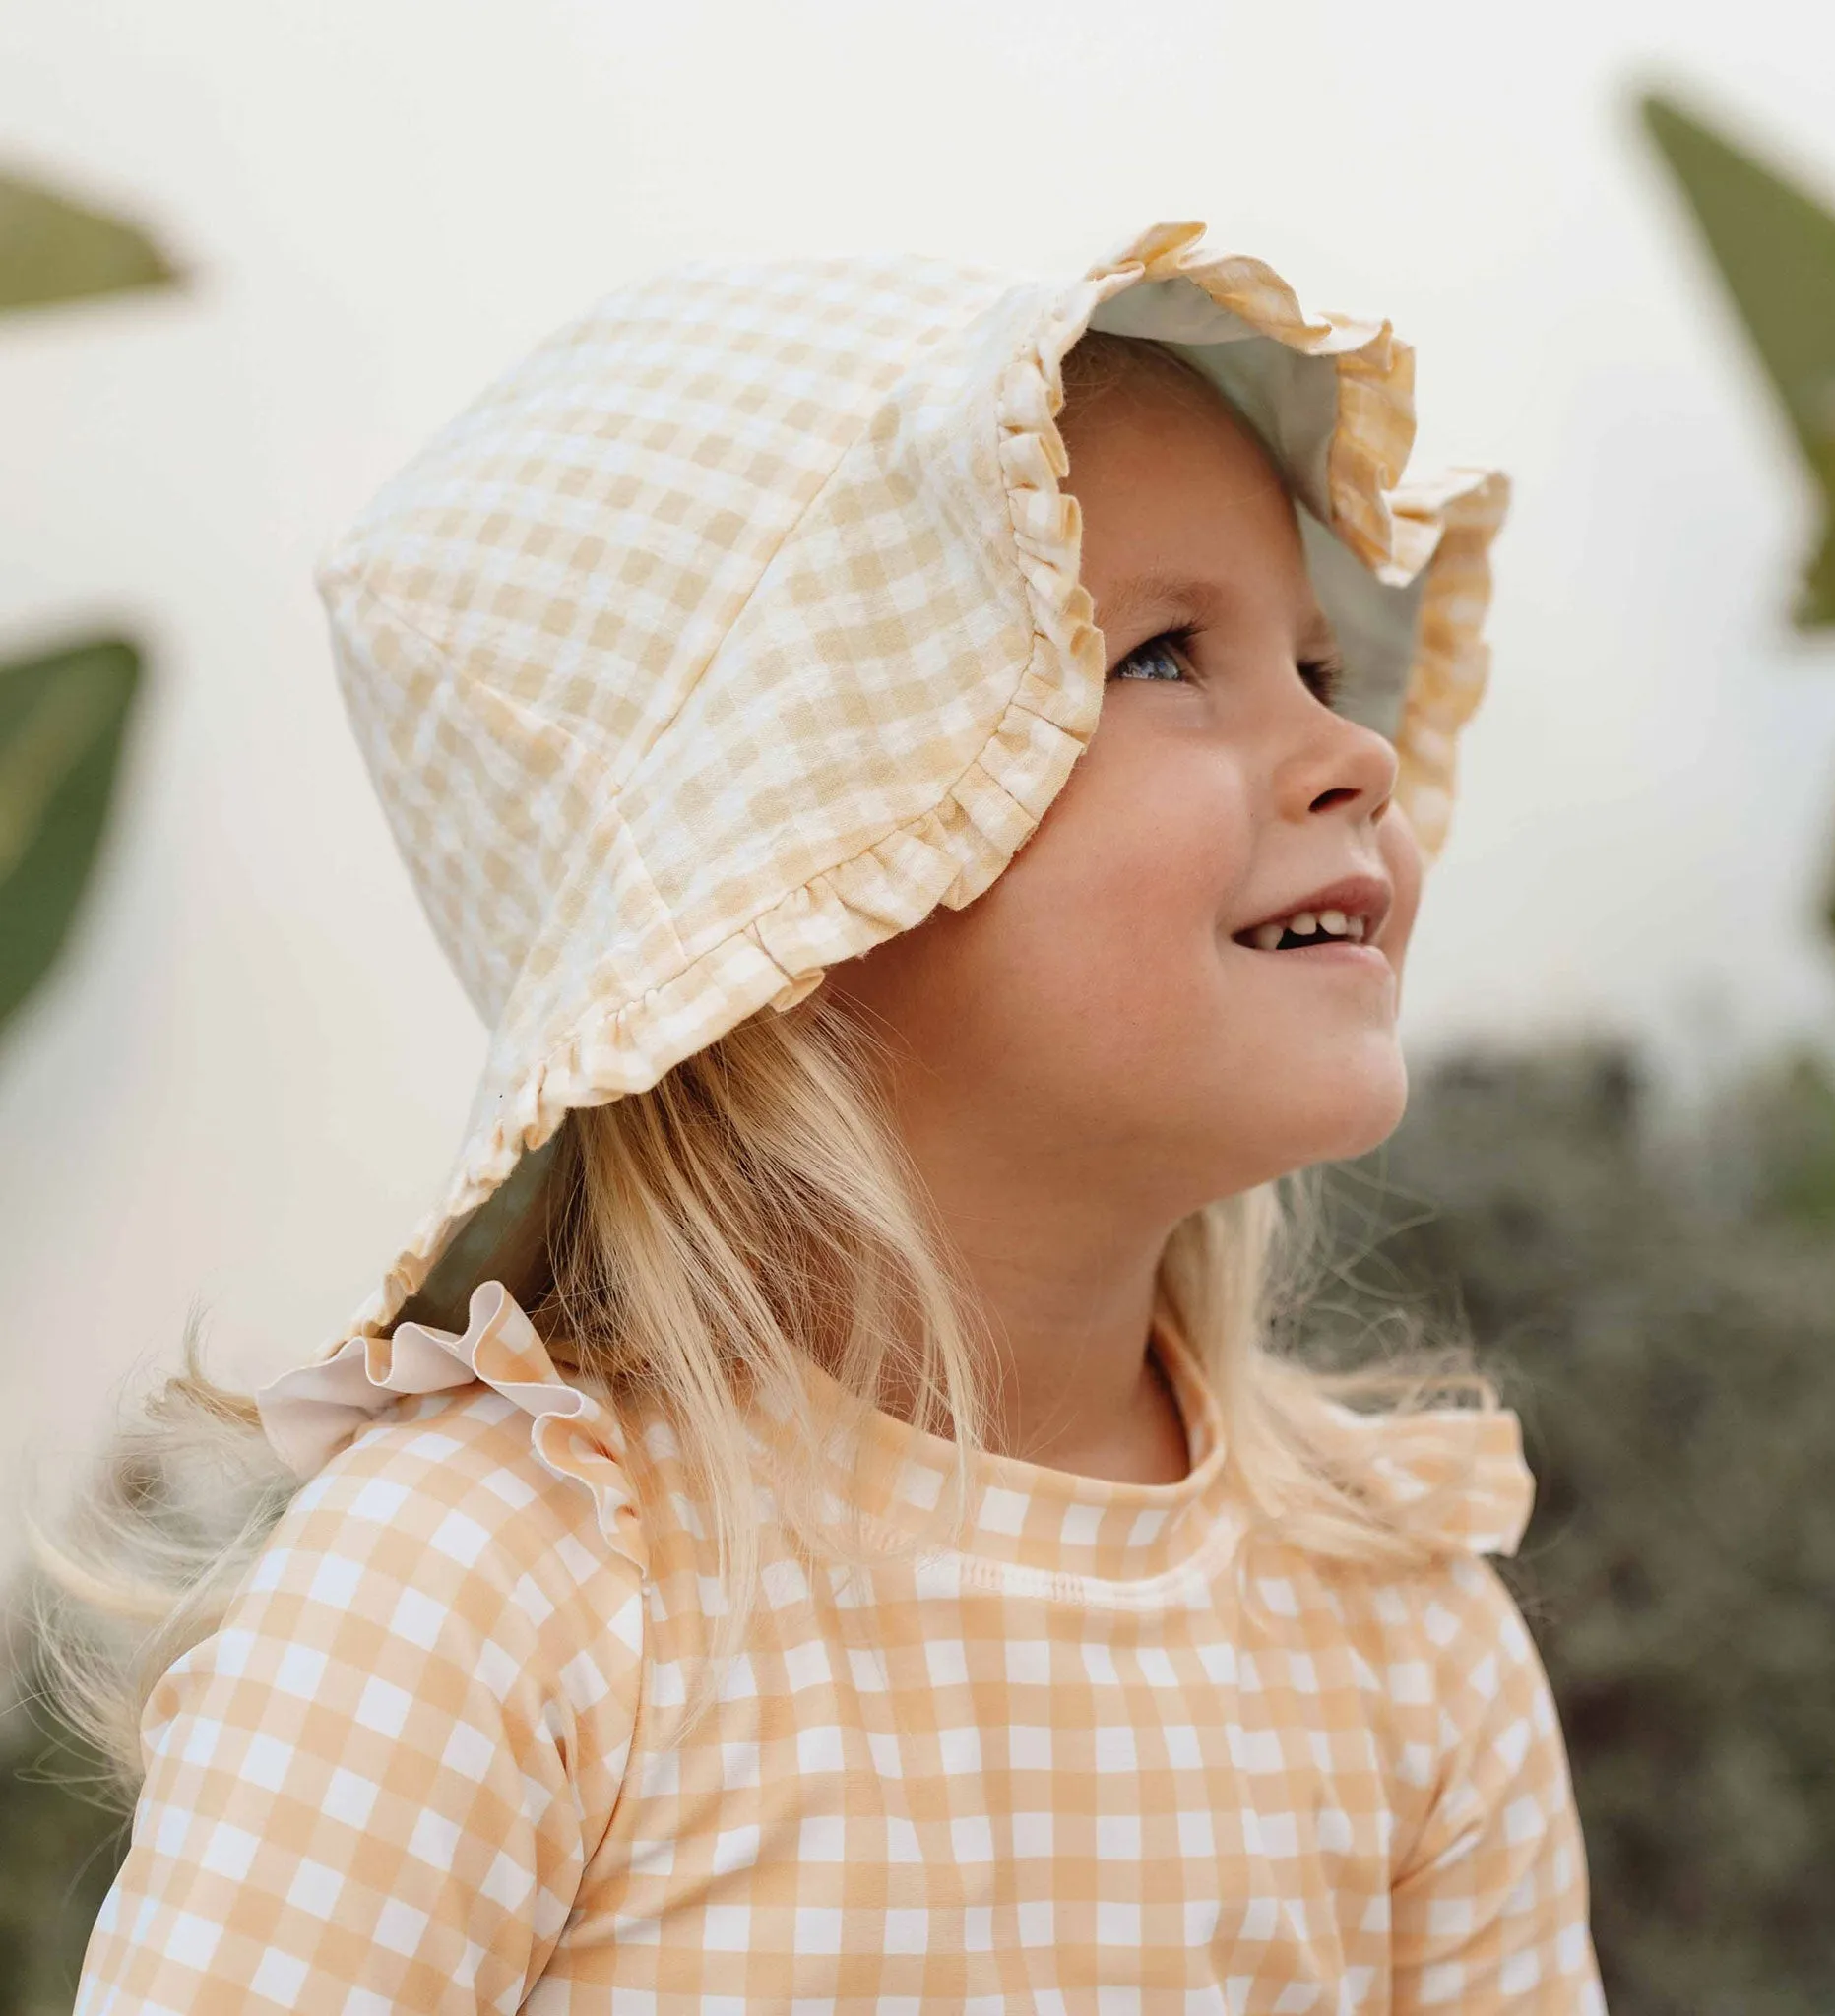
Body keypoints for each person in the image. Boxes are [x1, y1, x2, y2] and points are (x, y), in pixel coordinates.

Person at [34, 220, 1604, 2012]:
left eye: (1321, 669)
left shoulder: (1399, 1639)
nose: (1356, 753)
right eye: (1163, 657)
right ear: (803, 889)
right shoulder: (486, 1599)